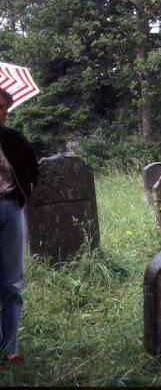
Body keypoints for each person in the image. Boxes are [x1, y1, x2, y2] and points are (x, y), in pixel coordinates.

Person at [0, 88, 38, 363]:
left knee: (12, 283)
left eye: (3, 107)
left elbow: (32, 168)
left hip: (11, 210)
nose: (1, 112)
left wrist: (26, 187)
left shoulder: (13, 139)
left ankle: (10, 348)